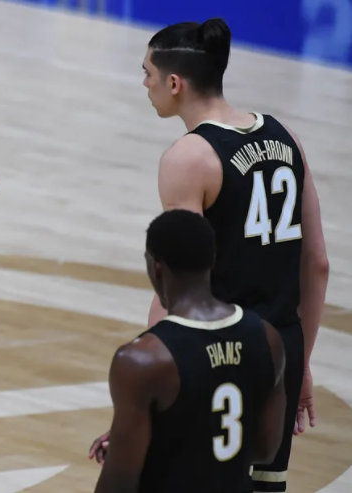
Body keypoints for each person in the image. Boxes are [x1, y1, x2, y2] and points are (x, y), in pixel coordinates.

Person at [139, 17, 330, 492]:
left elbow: (180, 284)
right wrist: (301, 359)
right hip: (282, 347)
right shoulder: (286, 137)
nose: (144, 84)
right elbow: (317, 264)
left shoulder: (189, 157)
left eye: (147, 73)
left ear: (175, 83)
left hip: (219, 355)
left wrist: (153, 372)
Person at [88, 209, 287, 493]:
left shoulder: (143, 360)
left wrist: (127, 450)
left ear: (156, 267)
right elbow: (265, 449)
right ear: (212, 261)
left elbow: (119, 485)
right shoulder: (267, 338)